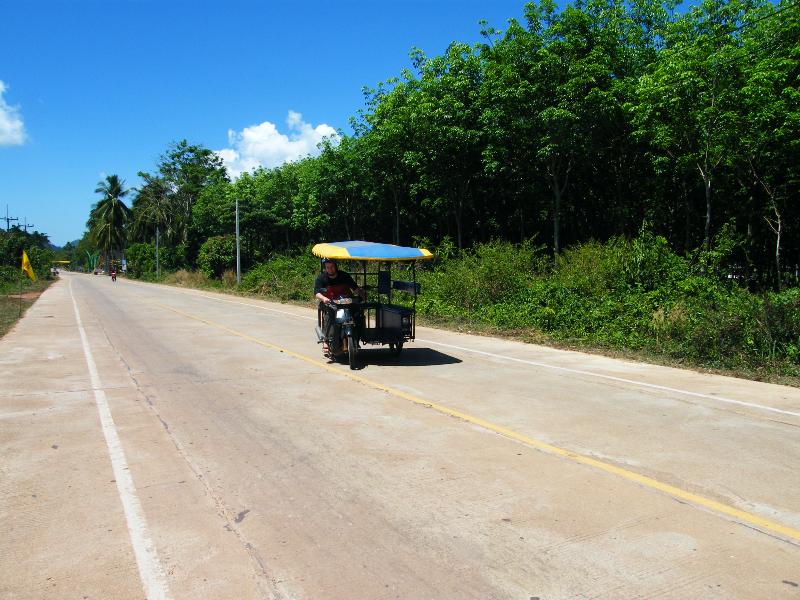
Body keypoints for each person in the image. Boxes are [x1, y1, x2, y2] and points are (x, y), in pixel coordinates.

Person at [314, 259, 365, 355]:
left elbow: (355, 288)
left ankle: (356, 339)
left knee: (358, 315)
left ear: (336, 266)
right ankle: (326, 340)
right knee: (330, 317)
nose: (330, 269)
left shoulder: (344, 276)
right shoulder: (321, 278)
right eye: (328, 267)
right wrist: (324, 298)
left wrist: (362, 295)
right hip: (330, 303)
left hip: (347, 302)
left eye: (332, 267)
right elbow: (317, 293)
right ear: (325, 268)